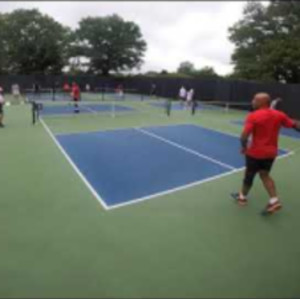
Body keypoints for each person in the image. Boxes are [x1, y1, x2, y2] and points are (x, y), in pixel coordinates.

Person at [232, 93, 300, 215]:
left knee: (249, 176)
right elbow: (295, 125)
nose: (252, 101)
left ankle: (242, 198)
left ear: (261, 102)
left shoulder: (253, 116)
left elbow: (244, 136)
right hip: (271, 153)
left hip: (255, 153)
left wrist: (243, 147)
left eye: (254, 100)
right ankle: (274, 200)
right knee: (265, 175)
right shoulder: (279, 114)